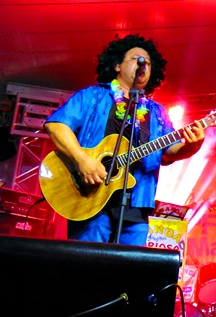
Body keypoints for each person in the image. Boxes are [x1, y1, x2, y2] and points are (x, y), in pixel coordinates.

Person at [44, 34, 205, 246]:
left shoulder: (156, 112)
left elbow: (169, 151)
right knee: (87, 262)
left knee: (132, 265)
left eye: (148, 62)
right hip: (90, 197)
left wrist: (193, 146)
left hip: (137, 203)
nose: (143, 64)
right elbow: (56, 125)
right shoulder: (92, 96)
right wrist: (82, 161)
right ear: (117, 66)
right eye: (136, 59)